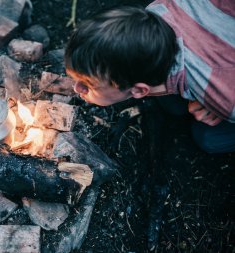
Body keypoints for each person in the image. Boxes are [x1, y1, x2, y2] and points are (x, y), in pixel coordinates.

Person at [64, 1, 235, 153]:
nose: (76, 88)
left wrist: (217, 102)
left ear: (139, 90)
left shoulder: (227, 99)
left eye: (89, 85)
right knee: (173, 105)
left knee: (208, 138)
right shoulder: (153, 15)